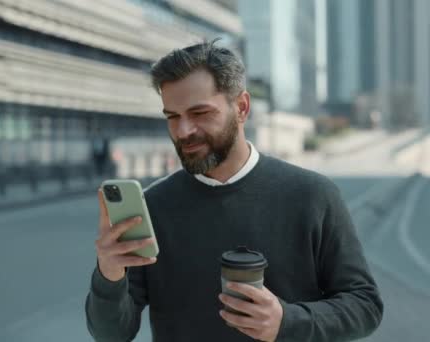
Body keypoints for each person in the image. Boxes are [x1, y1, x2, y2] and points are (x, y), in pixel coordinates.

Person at [85, 40, 383, 342]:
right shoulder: (152, 208)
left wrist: (288, 321)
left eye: (199, 113)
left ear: (241, 107)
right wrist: (109, 273)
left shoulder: (315, 196)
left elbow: (365, 305)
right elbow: (112, 334)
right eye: (172, 117)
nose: (183, 130)